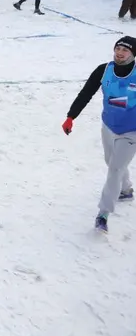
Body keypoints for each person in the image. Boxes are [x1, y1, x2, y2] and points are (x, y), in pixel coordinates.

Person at [61, 36, 136, 234]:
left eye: (125, 50)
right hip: (109, 125)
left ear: (133, 54)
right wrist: (71, 117)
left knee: (115, 168)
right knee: (111, 161)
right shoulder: (104, 70)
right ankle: (126, 189)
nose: (120, 52)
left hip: (131, 130)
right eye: (118, 48)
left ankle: (103, 213)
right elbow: (86, 93)